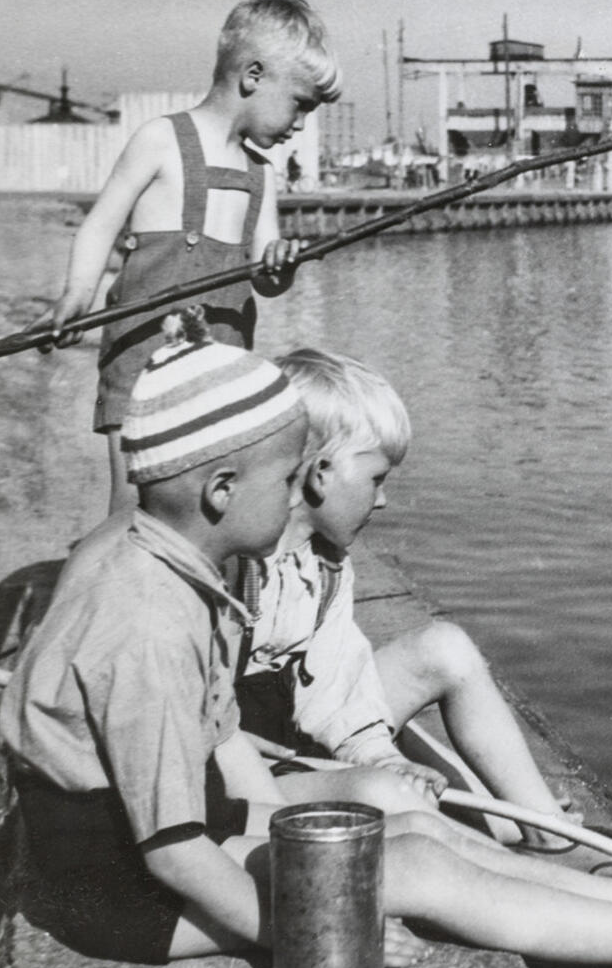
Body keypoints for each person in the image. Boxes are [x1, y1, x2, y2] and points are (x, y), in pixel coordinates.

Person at [0, 314, 612, 968]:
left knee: (414, 826)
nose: (298, 497)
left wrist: (318, 823)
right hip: (117, 895)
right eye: (288, 480)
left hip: (180, 837)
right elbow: (173, 850)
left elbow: (227, 757)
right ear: (219, 491)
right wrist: (305, 932)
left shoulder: (179, 573)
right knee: (416, 867)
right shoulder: (145, 621)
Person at [233, 346, 578, 848]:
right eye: (376, 479)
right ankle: (496, 862)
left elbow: (336, 692)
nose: (383, 499)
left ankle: (541, 821)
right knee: (396, 800)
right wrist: (377, 775)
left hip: (292, 729)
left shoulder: (325, 563)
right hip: (245, 770)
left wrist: (382, 755)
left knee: (446, 648)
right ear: (321, 473)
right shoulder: (235, 567)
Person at [37, 0, 342, 513]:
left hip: (223, 368)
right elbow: (98, 226)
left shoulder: (261, 174)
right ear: (253, 76)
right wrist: (76, 296)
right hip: (141, 362)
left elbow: (267, 280)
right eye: (300, 104)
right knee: (132, 509)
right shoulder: (160, 140)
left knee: (205, 511)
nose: (300, 125)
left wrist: (281, 266)